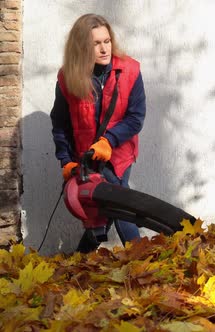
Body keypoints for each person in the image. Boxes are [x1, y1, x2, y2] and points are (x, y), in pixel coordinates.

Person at [50, 14, 146, 253]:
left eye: (107, 41)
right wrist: (66, 160)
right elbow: (60, 124)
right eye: (96, 44)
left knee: (118, 205)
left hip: (119, 154)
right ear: (82, 47)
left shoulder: (130, 70)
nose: (104, 49)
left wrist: (109, 141)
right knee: (103, 215)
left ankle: (143, 261)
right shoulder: (67, 78)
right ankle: (80, 262)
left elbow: (136, 117)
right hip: (88, 159)